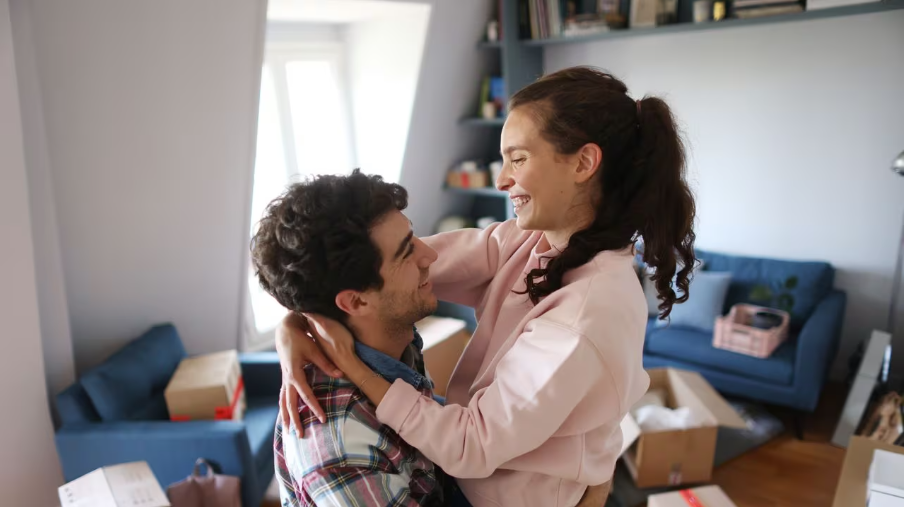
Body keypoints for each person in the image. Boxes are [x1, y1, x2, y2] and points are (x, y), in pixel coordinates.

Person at [277, 66, 697, 507]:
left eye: (518, 159)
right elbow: (381, 271)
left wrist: (356, 368)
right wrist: (296, 321)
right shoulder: (533, 240)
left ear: (583, 163)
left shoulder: (585, 313)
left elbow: (470, 446)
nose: (501, 180)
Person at [251, 171, 449, 506]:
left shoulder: (388, 338)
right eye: (406, 253)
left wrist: (293, 321)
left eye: (414, 238)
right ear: (355, 302)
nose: (431, 255)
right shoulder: (341, 447)